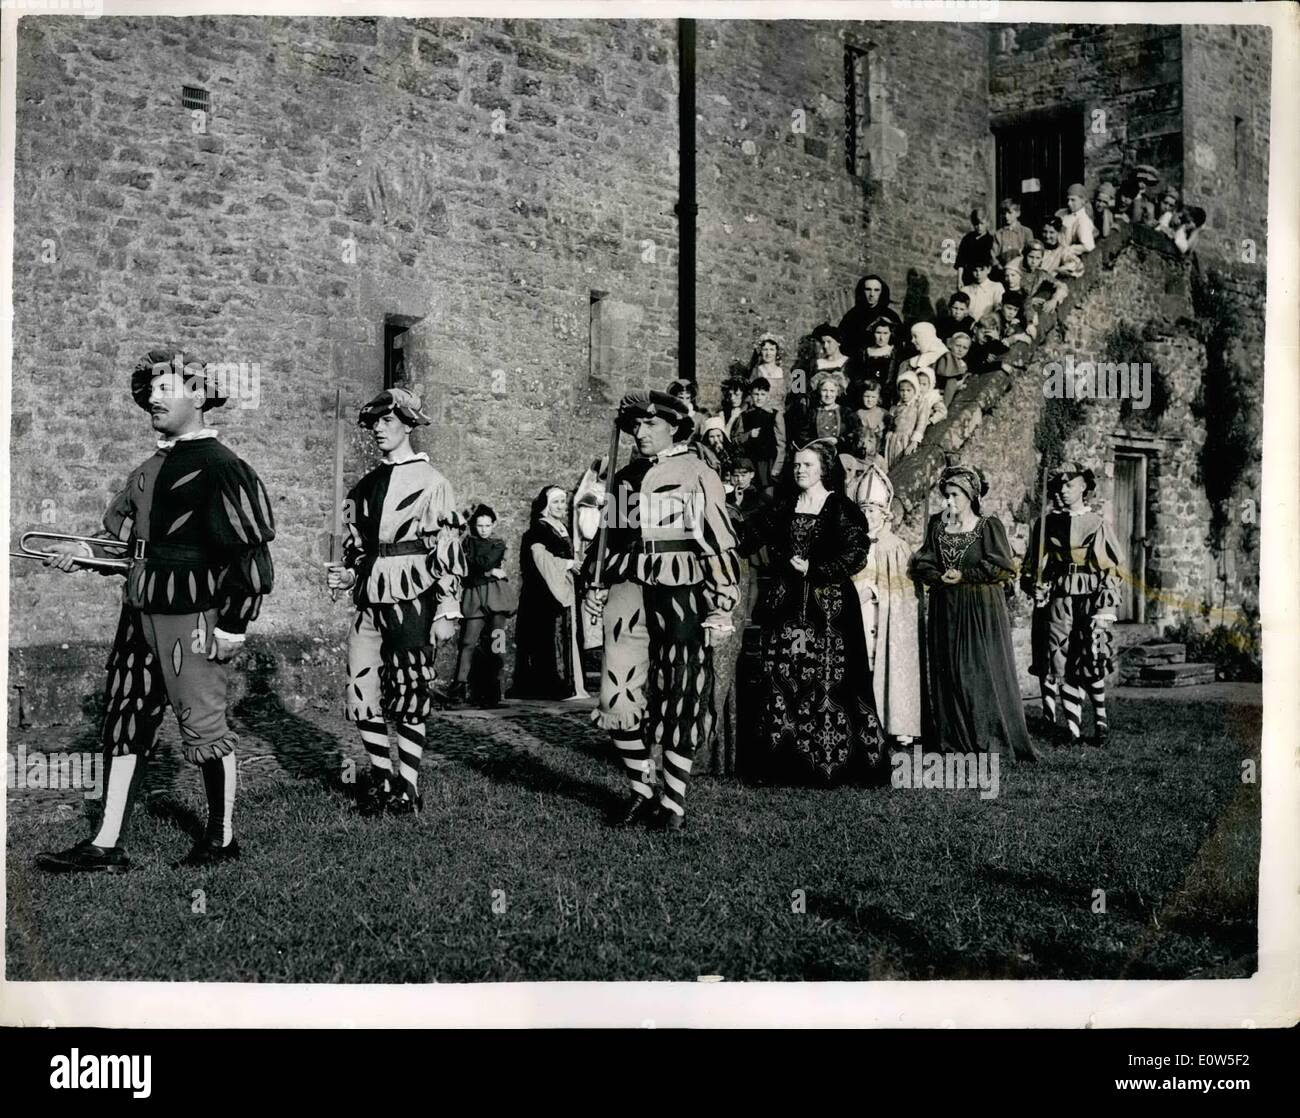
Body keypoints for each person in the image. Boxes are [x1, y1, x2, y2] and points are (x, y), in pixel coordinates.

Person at [36, 350, 276, 873]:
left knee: (204, 724)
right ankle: (106, 843)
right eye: (149, 390)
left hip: (193, 615)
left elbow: (249, 556)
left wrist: (233, 626)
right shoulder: (147, 469)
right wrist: (85, 554)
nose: (152, 397)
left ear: (199, 393)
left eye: (165, 387)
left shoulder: (225, 467)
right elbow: (123, 543)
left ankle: (222, 838)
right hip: (138, 611)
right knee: (124, 719)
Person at [581, 390, 741, 830]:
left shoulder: (697, 472)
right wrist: (594, 583)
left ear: (675, 427)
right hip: (627, 586)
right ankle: (641, 789)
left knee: (682, 688)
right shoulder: (625, 477)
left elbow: (717, 539)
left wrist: (722, 601)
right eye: (636, 424)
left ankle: (673, 803)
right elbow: (607, 538)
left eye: (651, 424)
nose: (640, 432)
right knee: (617, 693)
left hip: (682, 586)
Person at [326, 388, 464, 816]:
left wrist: (448, 606)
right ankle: (383, 778)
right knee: (361, 686)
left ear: (408, 424)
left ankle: (408, 785)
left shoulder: (432, 483)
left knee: (408, 686)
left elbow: (447, 546)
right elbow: (358, 549)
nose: (379, 430)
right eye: (374, 423)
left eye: (388, 421)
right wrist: (347, 573)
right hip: (370, 595)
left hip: (414, 592)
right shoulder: (363, 487)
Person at [740, 439, 886, 784]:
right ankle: (783, 763)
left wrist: (814, 567)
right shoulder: (785, 505)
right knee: (784, 677)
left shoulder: (839, 507)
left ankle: (829, 763)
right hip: (788, 606)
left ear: (823, 469)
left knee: (828, 679)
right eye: (796, 465)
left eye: (806, 464)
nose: (800, 470)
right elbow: (753, 535)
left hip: (830, 609)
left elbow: (856, 553)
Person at [909, 465, 1036, 761]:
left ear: (970, 496)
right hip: (945, 607)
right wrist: (938, 575)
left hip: (980, 608)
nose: (948, 501)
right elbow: (923, 560)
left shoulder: (988, 525)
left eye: (954, 495)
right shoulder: (937, 526)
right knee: (949, 671)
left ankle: (988, 739)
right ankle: (953, 740)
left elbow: (1003, 565)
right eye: (946, 495)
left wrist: (964, 574)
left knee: (977, 672)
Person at [1020, 462, 1124, 746]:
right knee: (1060, 656)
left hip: (1090, 598)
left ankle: (1101, 721)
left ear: (1084, 487)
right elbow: (1033, 566)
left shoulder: (1097, 524)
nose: (1064, 491)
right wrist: (1035, 585)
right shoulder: (1045, 524)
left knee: (1091, 656)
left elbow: (1112, 570)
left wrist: (1106, 610)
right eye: (1060, 486)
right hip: (1060, 598)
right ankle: (1073, 732)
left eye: (1070, 485)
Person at [849, 464, 922, 746]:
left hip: (886, 618)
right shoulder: (850, 543)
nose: (867, 515)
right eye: (863, 509)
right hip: (859, 613)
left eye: (872, 510)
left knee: (885, 663)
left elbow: (906, 595)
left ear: (884, 513)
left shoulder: (897, 546)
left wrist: (880, 593)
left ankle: (894, 722)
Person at [510, 484, 579, 701]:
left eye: (563, 502)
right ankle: (547, 685)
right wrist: (567, 564)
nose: (561, 506)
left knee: (558, 636)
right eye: (556, 502)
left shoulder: (559, 527)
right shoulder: (540, 528)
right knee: (545, 638)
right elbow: (540, 559)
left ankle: (564, 682)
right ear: (546, 506)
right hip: (542, 593)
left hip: (557, 587)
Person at [450, 504, 518, 708]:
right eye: (480, 525)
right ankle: (460, 686)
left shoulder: (498, 543)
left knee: (498, 641)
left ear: (493, 525)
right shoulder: (467, 543)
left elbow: (484, 562)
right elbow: (466, 568)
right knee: (468, 642)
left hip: (496, 595)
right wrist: (488, 572)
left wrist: (483, 570)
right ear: (474, 526)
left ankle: (495, 689)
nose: (484, 529)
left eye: (487, 525)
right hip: (474, 596)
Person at [788, 368, 866, 460]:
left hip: (841, 456)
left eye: (832, 391)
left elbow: (857, 432)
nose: (828, 395)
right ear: (819, 391)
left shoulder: (846, 412)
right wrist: (817, 443)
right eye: (824, 390)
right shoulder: (812, 412)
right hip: (817, 456)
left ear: (838, 392)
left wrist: (838, 440)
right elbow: (802, 435)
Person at [736, 376, 785, 495]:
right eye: (756, 394)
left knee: (767, 495)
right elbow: (737, 439)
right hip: (749, 463)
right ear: (751, 395)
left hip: (767, 463)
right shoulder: (744, 416)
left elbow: (781, 444)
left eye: (762, 394)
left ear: (768, 395)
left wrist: (776, 467)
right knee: (749, 494)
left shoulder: (775, 415)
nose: (759, 398)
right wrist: (749, 435)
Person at [838, 274, 903, 360]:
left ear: (881, 292)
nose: (872, 294)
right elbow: (842, 342)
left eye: (876, 290)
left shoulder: (890, 316)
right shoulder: (852, 315)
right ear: (862, 291)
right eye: (868, 289)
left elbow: (899, 344)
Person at [884, 369, 928, 467]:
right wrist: (890, 431)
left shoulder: (918, 404)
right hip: (894, 439)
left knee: (903, 464)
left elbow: (921, 423)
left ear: (915, 390)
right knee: (892, 463)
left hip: (907, 439)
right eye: (902, 390)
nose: (905, 393)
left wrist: (914, 442)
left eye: (908, 390)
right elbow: (892, 422)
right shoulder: (897, 406)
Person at [955, 208, 996, 287]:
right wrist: (959, 279)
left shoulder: (991, 240)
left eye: (982, 224)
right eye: (976, 224)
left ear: (987, 223)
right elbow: (961, 261)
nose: (979, 227)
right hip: (968, 278)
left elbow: (992, 262)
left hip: (985, 279)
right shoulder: (967, 239)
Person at [749, 332, 788, 411]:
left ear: (776, 352)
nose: (768, 353)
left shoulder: (785, 372)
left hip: (780, 413)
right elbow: (751, 395)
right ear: (761, 352)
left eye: (771, 349)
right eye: (765, 349)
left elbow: (791, 395)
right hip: (761, 413)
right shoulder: (756, 371)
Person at [993, 198, 1031, 277]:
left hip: (1022, 273)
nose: (1006, 216)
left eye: (1010, 213)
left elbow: (1031, 254)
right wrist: (1001, 268)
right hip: (1004, 273)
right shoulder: (998, 234)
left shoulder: (1026, 232)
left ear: (1018, 213)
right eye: (1004, 213)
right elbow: (993, 256)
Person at [960, 258, 1006, 323]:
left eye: (982, 270)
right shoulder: (965, 290)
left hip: (988, 325)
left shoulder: (996, 287)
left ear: (989, 269)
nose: (978, 274)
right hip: (968, 325)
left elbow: (999, 309)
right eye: (975, 270)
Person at [1059, 183, 1097, 256]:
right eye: (1068, 199)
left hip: (1066, 255)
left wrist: (1069, 249)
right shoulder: (1064, 214)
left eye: (1073, 200)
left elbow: (1088, 246)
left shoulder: (1082, 220)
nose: (1069, 203)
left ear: (1082, 201)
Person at [935, 331, 970, 408]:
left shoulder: (962, 362)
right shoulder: (946, 358)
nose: (960, 350)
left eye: (965, 348)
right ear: (950, 345)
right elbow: (950, 381)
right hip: (938, 395)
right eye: (958, 346)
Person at [856, 378, 889, 460]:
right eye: (866, 396)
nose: (869, 400)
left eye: (873, 397)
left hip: (879, 455)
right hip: (862, 455)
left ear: (878, 397)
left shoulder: (884, 414)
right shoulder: (858, 414)